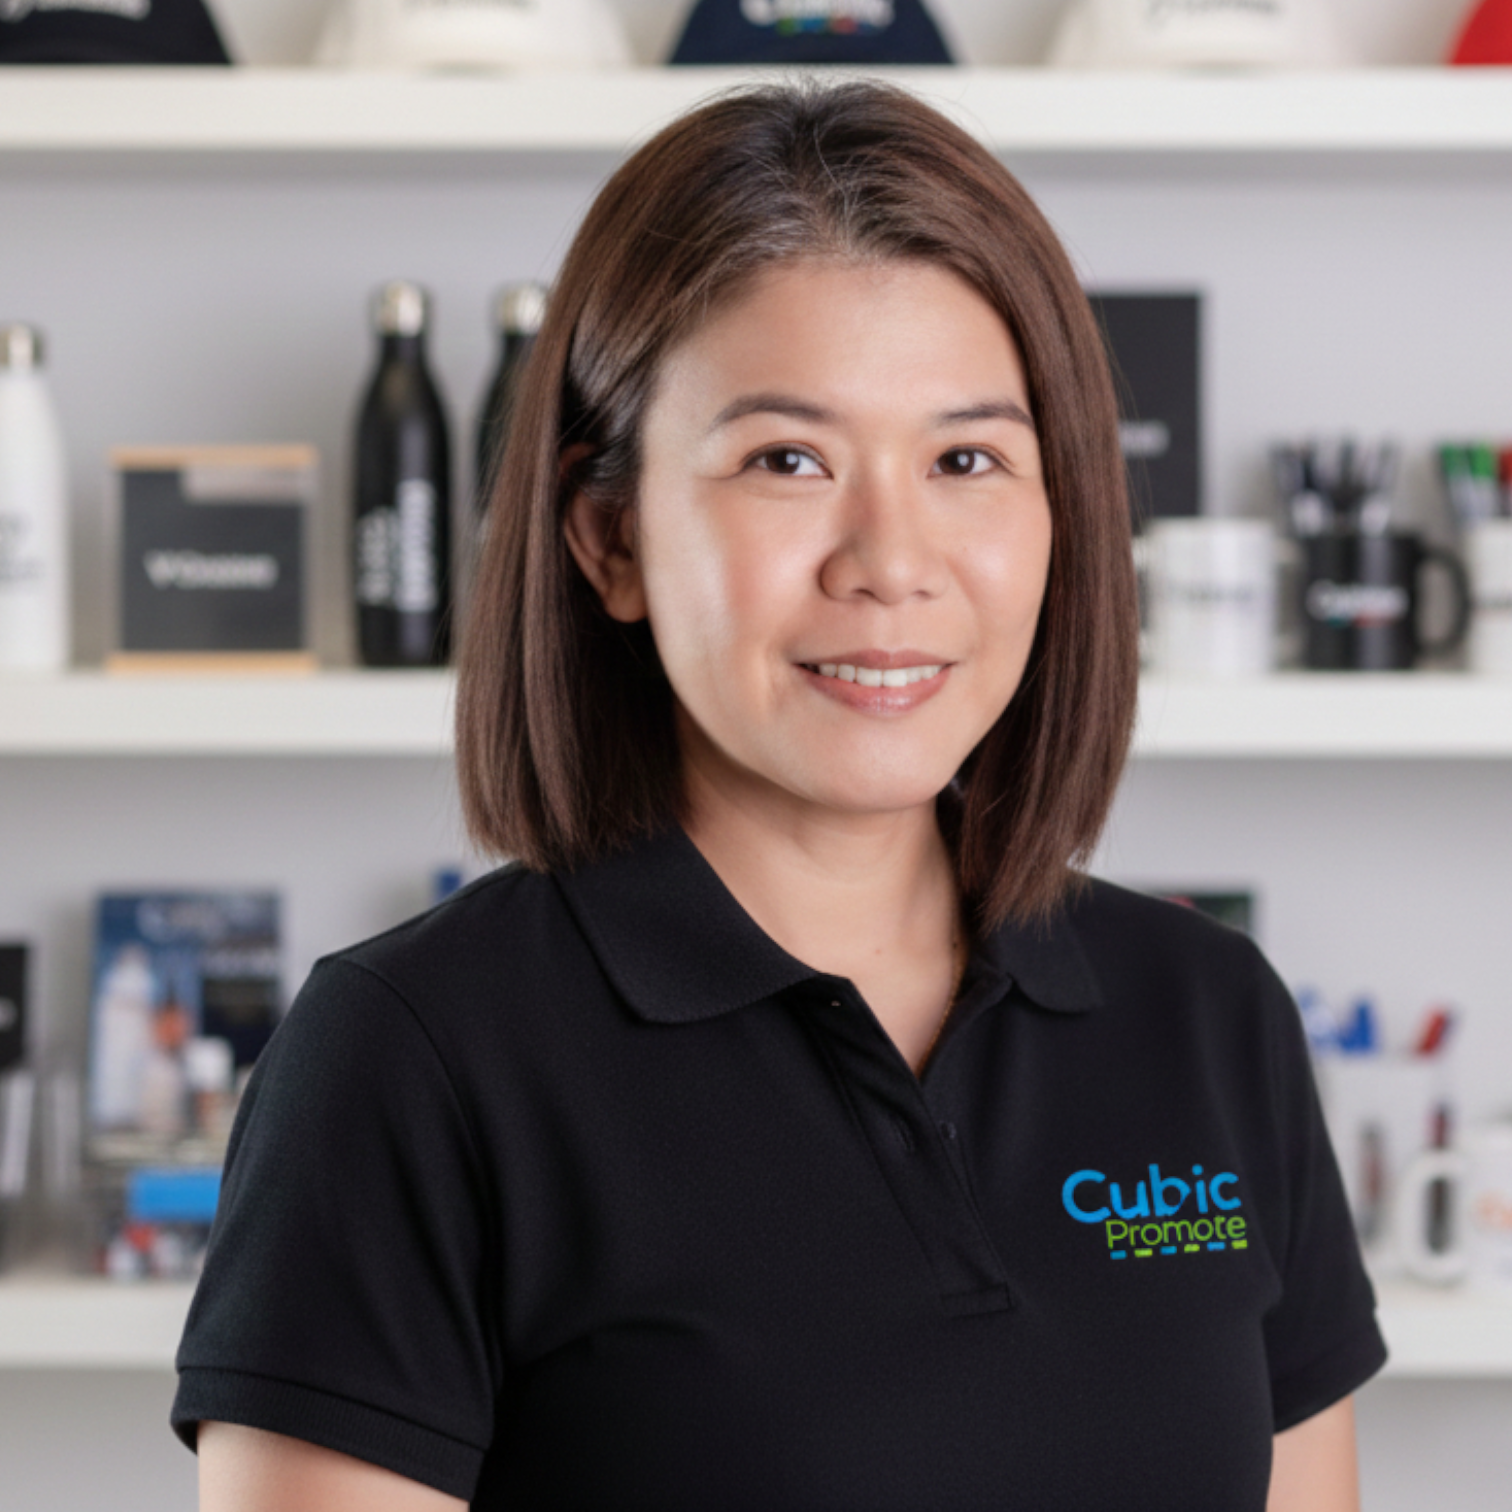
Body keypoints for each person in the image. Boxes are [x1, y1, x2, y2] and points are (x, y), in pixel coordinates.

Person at [174, 80, 1385, 1511]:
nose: (890, 558)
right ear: (610, 538)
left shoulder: (1209, 1012)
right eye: (787, 460)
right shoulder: (414, 1057)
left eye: (967, 459)